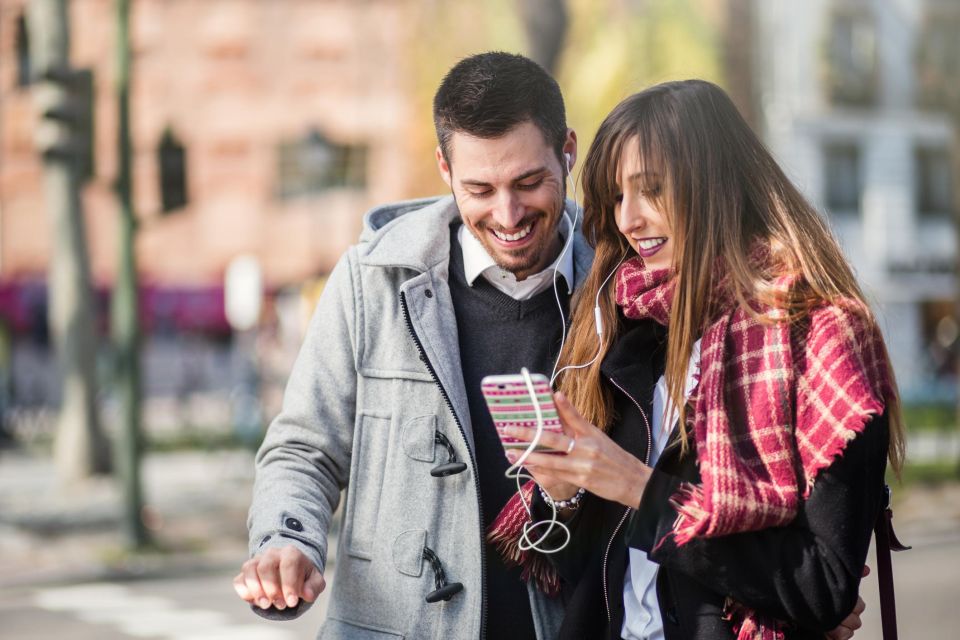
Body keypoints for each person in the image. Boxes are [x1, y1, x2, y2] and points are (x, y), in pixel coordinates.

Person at [490, 80, 902, 640]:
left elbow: (822, 588)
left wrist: (640, 486)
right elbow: (594, 573)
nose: (628, 219)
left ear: (715, 184)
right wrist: (563, 496)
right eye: (616, 196)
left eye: (651, 189)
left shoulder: (820, 336)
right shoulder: (625, 327)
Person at [233, 51, 590, 640]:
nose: (509, 213)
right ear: (444, 169)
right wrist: (285, 541)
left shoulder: (622, 284)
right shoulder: (370, 279)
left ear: (567, 150)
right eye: (481, 188)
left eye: (529, 182)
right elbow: (305, 447)